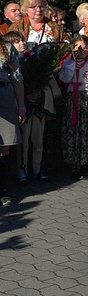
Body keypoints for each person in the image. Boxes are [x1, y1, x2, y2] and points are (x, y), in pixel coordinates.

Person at [58, 35, 88, 180]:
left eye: (84, 47)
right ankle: (73, 164)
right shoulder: (69, 63)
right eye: (77, 47)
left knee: (87, 130)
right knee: (73, 130)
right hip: (73, 99)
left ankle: (86, 164)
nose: (81, 51)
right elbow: (65, 78)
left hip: (87, 96)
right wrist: (72, 61)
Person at [0, 34, 26, 206]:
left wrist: (21, 106)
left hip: (4, 96)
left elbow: (17, 79)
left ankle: (3, 189)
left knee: (4, 148)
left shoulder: (7, 48)